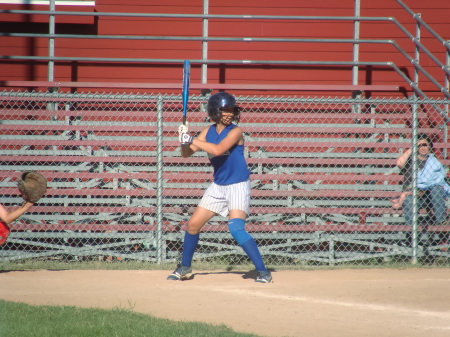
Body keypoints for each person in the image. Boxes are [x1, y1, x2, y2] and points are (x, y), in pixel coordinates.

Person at [167, 91, 272, 283]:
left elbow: (217, 150)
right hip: (219, 185)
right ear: (214, 111)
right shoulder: (208, 131)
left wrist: (191, 138)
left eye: (232, 110)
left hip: (238, 185)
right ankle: (185, 268)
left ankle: (264, 272)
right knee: (192, 225)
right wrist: (183, 138)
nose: (230, 113)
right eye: (225, 110)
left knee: (236, 229)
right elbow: (186, 154)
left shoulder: (236, 132)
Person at [395, 134, 448, 227]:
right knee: (408, 200)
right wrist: (412, 148)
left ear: (429, 147)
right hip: (413, 195)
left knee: (437, 189)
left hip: (430, 196)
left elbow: (439, 181)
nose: (422, 148)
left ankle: (441, 222)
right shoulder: (410, 160)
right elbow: (399, 163)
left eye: (425, 145)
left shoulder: (433, 161)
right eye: (419, 145)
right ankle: (411, 233)